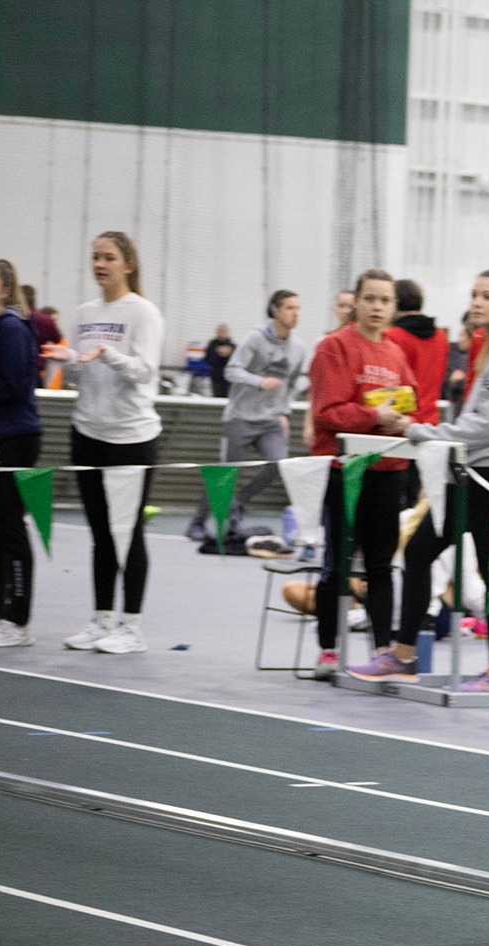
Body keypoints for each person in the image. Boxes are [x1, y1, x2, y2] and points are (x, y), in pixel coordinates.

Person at [350, 270, 489, 693]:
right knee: (421, 551)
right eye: (474, 294)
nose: (477, 303)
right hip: (470, 465)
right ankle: (403, 656)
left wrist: (421, 431)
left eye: (488, 297)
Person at [44, 232, 164, 655]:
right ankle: (101, 620)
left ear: (128, 264)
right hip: (87, 433)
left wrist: (105, 354)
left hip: (131, 436)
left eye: (108, 257)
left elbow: (145, 371)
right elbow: (82, 370)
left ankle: (132, 627)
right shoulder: (85, 311)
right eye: (95, 257)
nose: (100, 264)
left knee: (127, 534)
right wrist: (67, 362)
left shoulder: (144, 312)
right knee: (99, 533)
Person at [303, 271, 418, 678]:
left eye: (385, 301)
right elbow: (327, 412)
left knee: (381, 566)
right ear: (356, 303)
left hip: (388, 471)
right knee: (336, 563)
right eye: (370, 298)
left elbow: (411, 405)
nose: (377, 307)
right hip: (344, 472)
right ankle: (328, 650)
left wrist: (402, 420)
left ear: (393, 307)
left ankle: (383, 650)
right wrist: (374, 415)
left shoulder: (397, 354)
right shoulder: (333, 347)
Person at [187, 290, 308, 542]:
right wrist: (259, 381)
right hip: (241, 418)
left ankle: (239, 501)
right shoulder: (255, 338)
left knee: (278, 465)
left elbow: (294, 383)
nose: (295, 313)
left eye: (297, 308)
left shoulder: (298, 348)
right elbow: (231, 371)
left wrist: (284, 411)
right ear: (275, 311)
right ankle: (197, 523)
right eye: (289, 308)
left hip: (270, 420)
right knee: (226, 473)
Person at [0, 259, 41, 646]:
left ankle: (18, 618)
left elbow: (11, 387)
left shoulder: (10, 328)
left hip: (15, 438)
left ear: (5, 290)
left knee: (10, 526)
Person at [385, 280, 450, 425]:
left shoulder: (392, 336)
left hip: (400, 421)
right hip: (430, 420)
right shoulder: (440, 336)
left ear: (395, 303)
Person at [204, 323, 235, 397]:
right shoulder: (212, 345)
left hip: (229, 377)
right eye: (221, 331)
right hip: (217, 377)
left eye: (224, 331)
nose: (222, 333)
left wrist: (228, 354)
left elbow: (237, 362)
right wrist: (218, 353)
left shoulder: (233, 346)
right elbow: (208, 359)